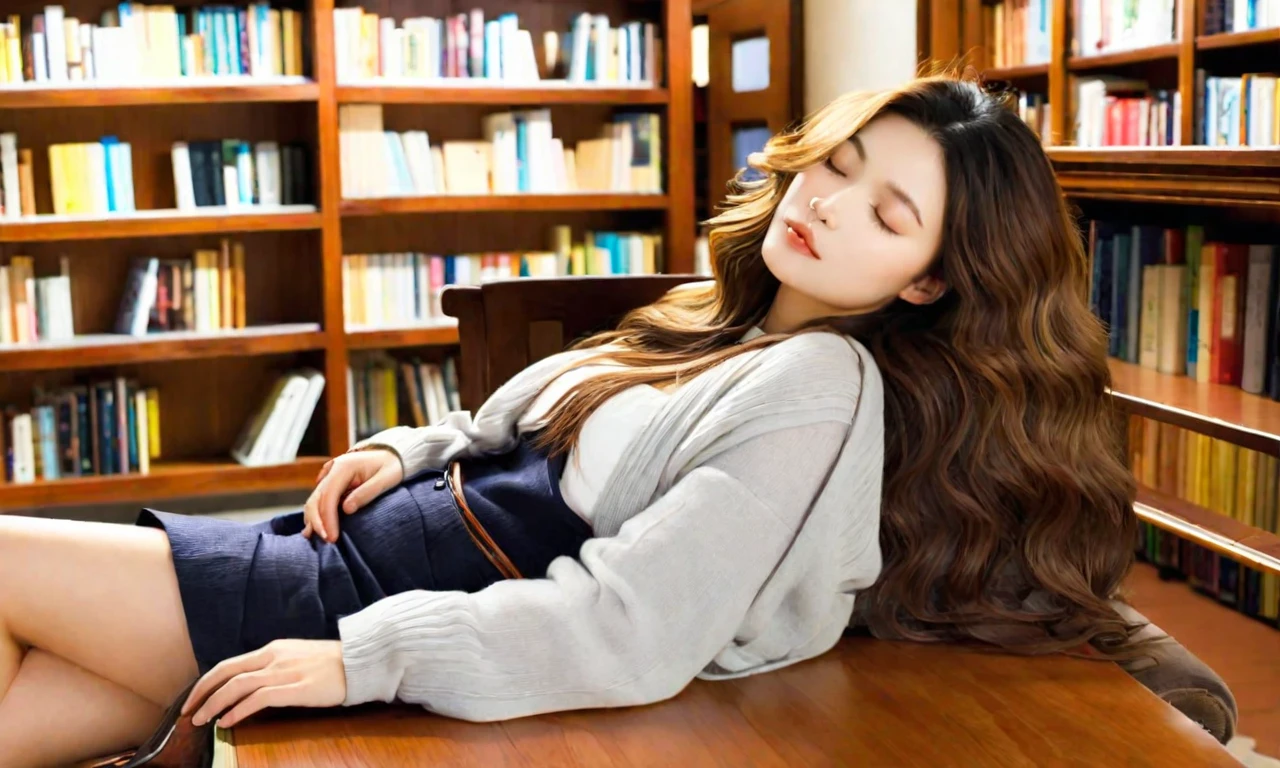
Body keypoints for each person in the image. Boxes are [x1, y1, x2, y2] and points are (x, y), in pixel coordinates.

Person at [0, 72, 1139, 767]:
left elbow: (635, 624)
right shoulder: (722, 316)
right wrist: (407, 445)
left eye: (884, 212)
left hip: (371, 597)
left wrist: (361, 660)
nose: (825, 206)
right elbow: (526, 424)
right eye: (831, 167)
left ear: (928, 280)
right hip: (345, 549)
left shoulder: (819, 387)